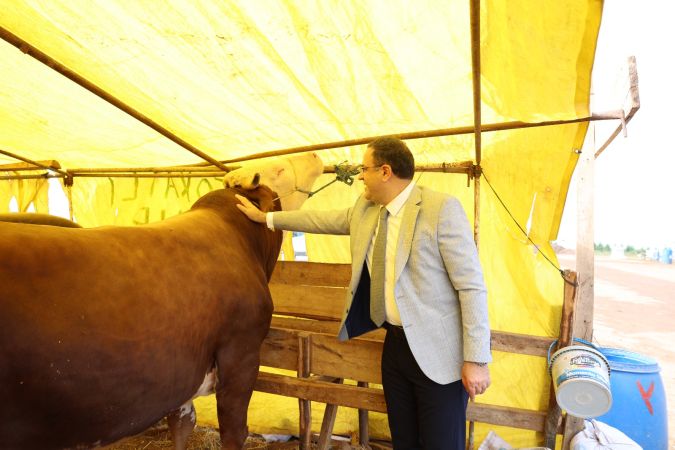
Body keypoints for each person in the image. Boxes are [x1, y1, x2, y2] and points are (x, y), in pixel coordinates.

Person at [236, 137, 491, 450]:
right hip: (395, 347)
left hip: (439, 353)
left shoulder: (441, 209)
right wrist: (267, 218)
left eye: (364, 169)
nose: (358, 176)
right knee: (405, 441)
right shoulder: (367, 209)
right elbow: (321, 220)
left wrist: (476, 359)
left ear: (385, 172)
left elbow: (472, 285)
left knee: (441, 443)